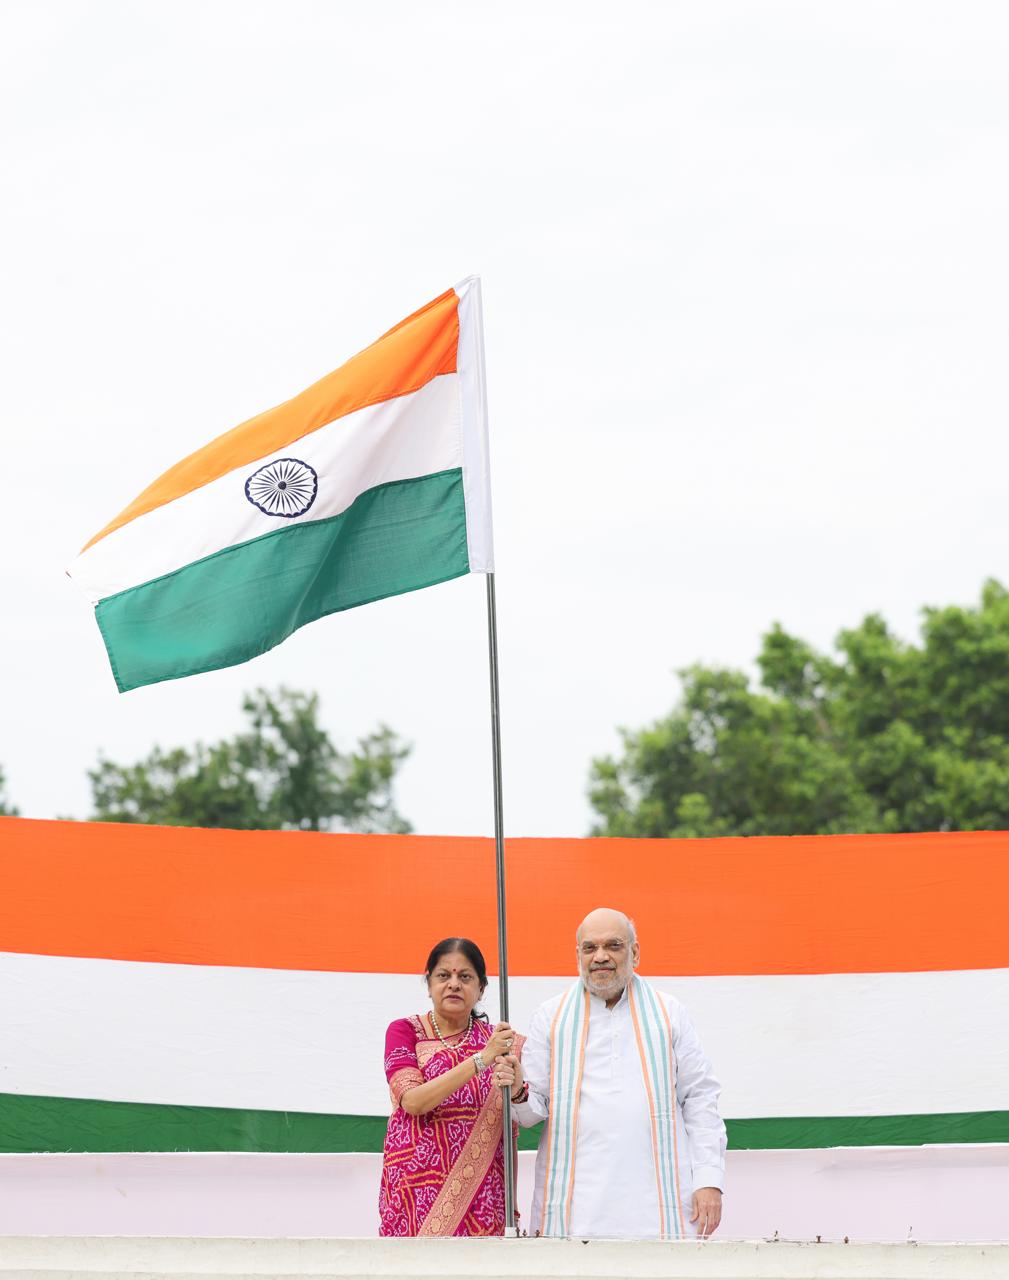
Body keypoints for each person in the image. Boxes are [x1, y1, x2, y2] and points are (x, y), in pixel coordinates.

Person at [512, 907, 726, 1240]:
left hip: (659, 1202)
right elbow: (531, 1111)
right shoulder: (550, 1017)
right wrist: (516, 1092)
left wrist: (709, 1180)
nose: (600, 957)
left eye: (613, 945)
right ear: (578, 955)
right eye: (590, 948)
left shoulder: (669, 1013)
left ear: (635, 952)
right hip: (576, 1206)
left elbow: (700, 1097)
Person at [379, 936, 525, 1236]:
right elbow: (414, 1102)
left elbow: (529, 1108)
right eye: (444, 975)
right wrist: (480, 1060)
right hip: (413, 1195)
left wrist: (518, 1083)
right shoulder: (405, 1032)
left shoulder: (506, 1045)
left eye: (465, 977)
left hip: (483, 1196)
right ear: (429, 983)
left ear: (481, 988)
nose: (454, 984)